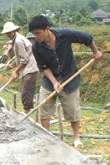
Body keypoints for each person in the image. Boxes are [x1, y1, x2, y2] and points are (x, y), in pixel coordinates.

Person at [28, 15, 102, 148]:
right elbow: (43, 67)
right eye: (33, 34)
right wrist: (54, 82)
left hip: (70, 77)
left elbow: (87, 38)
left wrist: (95, 51)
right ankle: (47, 136)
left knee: (72, 109)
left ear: (47, 29)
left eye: (38, 33)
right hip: (50, 80)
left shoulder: (65, 35)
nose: (36, 37)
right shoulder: (36, 47)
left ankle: (76, 137)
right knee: (44, 106)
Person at [1, 22, 39, 114]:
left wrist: (16, 70)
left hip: (31, 68)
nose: (8, 35)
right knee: (25, 91)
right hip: (27, 69)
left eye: (9, 32)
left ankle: (26, 113)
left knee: (26, 91)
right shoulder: (17, 39)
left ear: (14, 31)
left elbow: (25, 59)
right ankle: (26, 111)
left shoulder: (18, 41)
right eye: (6, 33)